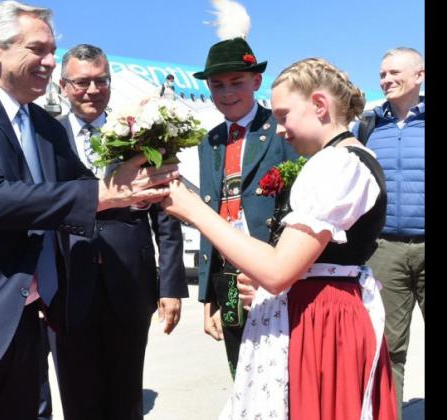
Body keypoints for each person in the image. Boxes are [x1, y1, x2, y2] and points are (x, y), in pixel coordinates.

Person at [0, 2, 177, 419]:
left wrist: (150, 147)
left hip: (21, 325)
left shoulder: (42, 125)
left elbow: (92, 184)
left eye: (52, 51)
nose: (49, 62)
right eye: (37, 49)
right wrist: (106, 192)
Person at [164, 57, 397, 419]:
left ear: (319, 105)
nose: (280, 128)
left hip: (323, 317)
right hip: (324, 309)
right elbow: (287, 258)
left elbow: (277, 272)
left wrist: (195, 211)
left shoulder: (336, 164)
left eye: (285, 115)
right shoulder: (345, 159)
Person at [54, 43, 187, 420]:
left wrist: (171, 285)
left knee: (127, 395)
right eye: (81, 83)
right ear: (63, 86)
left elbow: (166, 211)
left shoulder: (140, 132)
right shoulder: (46, 136)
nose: (92, 90)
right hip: (66, 285)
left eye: (101, 81)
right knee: (77, 397)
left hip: (130, 280)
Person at [192, 36, 298, 377]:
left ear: (256, 80)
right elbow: (209, 214)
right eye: (217, 85)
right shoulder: (209, 141)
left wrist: (282, 272)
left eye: (236, 82)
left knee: (281, 373)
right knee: (242, 372)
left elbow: (299, 208)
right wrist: (209, 295)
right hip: (227, 274)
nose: (226, 93)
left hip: (274, 270)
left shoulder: (282, 130)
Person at [356, 47, 424, 418]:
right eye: (382, 74)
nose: (386, 80)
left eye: (394, 72)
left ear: (419, 75)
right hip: (385, 250)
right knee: (389, 346)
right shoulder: (367, 126)